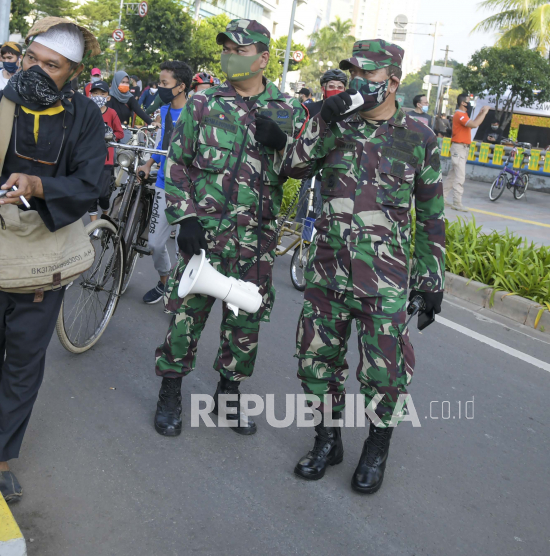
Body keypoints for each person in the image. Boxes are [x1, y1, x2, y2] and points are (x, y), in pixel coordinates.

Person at [0, 17, 107, 502]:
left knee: (25, 355)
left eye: (52, 65)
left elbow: (95, 183)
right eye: (32, 58)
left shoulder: (85, 117)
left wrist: (40, 185)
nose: (36, 69)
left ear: (71, 72)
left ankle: (1, 454)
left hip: (45, 257)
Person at [284, 39, 445, 494]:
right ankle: (326, 440)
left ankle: (376, 450)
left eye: (368, 75)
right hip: (327, 270)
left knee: (384, 374)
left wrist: (432, 281)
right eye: (353, 73)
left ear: (392, 82)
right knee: (316, 363)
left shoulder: (420, 136)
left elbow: (432, 214)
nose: (358, 82)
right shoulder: (337, 123)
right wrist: (323, 119)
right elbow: (294, 166)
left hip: (386, 279)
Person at [153, 19, 307, 437]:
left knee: (245, 322)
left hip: (255, 239)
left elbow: (300, 169)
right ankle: (170, 392)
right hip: (202, 234)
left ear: (262, 57)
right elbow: (178, 161)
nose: (230, 55)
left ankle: (228, 394)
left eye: (239, 49)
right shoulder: (204, 102)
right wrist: (183, 218)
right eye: (226, 48)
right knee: (187, 315)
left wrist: (282, 146)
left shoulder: (287, 109)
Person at [136, 60, 192, 304]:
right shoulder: (166, 110)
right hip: (162, 183)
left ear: (180, 87)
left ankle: (182, 294)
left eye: (164, 83)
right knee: (155, 244)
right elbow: (163, 143)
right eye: (159, 83)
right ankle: (164, 281)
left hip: (188, 190)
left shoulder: (195, 112)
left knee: (186, 247)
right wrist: (148, 164)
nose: (159, 88)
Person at [444, 94, 489, 211]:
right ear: (463, 103)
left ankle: (442, 198)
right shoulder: (459, 114)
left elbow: (472, 123)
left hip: (462, 148)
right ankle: (457, 202)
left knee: (452, 175)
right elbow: (474, 124)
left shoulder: (463, 115)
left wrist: (480, 113)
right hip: (459, 148)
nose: (470, 103)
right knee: (460, 175)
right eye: (468, 101)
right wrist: (484, 113)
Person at [88, 81, 123, 222]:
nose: (98, 96)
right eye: (95, 93)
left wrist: (110, 136)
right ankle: (93, 227)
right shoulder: (88, 112)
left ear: (108, 97)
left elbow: (120, 133)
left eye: (102, 94)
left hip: (106, 159)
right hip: (89, 159)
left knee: (103, 194)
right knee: (91, 192)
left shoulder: (112, 113)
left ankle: (105, 216)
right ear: (90, 95)